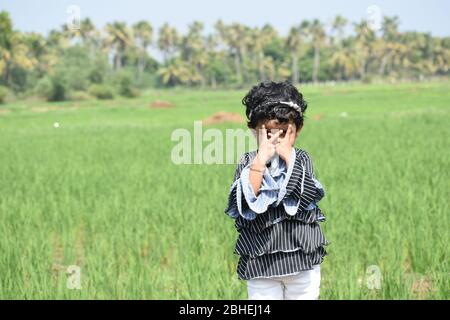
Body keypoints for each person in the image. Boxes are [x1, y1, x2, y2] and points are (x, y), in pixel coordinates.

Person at [224, 80, 329, 300]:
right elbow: (245, 201)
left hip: (301, 259)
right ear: (254, 130)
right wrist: (260, 162)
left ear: (296, 130)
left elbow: (305, 194)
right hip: (261, 262)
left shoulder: (300, 159)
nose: (275, 140)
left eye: (282, 132)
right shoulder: (248, 162)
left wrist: (288, 158)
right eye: (268, 133)